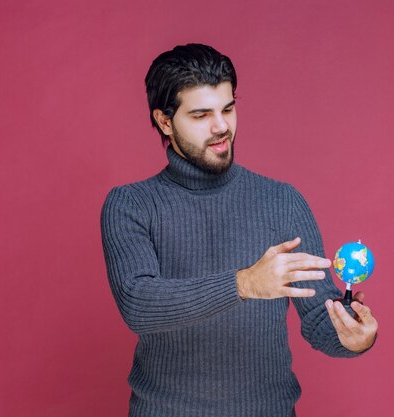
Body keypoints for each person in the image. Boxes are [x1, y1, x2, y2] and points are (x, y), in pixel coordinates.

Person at [100, 43, 378, 417]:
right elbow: (138, 302)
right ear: (165, 122)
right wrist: (246, 283)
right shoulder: (131, 205)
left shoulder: (282, 200)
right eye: (201, 115)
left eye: (228, 108)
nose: (221, 127)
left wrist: (355, 338)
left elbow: (317, 317)